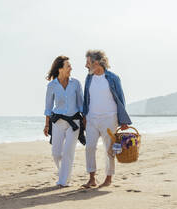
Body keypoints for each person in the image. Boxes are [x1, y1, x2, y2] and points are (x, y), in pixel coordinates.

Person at [82, 50, 132, 188]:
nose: (86, 65)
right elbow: (86, 98)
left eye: (88, 62)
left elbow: (121, 99)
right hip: (92, 119)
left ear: (96, 63)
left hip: (109, 118)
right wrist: (84, 115)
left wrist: (123, 121)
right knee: (90, 147)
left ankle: (108, 178)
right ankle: (91, 178)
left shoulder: (113, 78)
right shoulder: (89, 78)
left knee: (109, 149)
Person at [43, 56, 85, 187]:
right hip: (58, 122)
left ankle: (63, 181)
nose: (71, 68)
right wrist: (46, 125)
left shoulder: (76, 83)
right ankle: (64, 174)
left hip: (74, 123)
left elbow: (81, 104)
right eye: (68, 65)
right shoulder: (52, 85)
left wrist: (85, 119)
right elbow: (48, 107)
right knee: (56, 153)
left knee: (68, 152)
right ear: (60, 68)